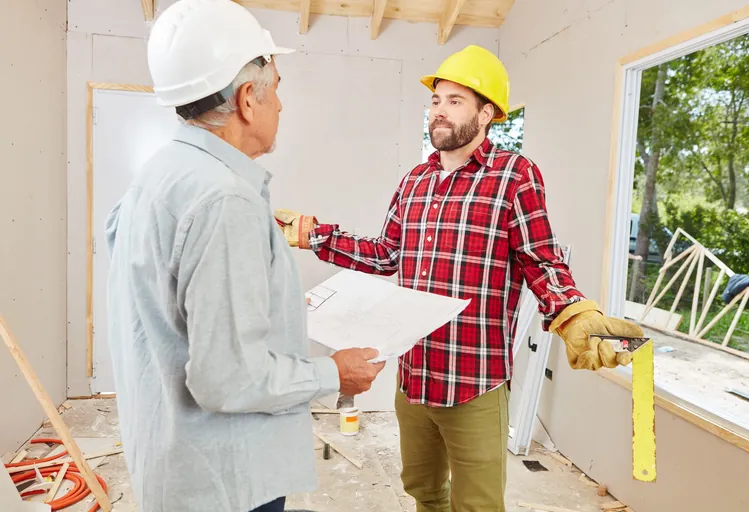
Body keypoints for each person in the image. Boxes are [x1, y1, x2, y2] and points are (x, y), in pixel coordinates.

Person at [274, 45, 644, 511]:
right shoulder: (414, 182)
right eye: (435, 101)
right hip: (415, 376)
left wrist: (572, 312)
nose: (439, 112)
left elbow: (541, 260)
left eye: (454, 101)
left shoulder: (514, 176)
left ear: (486, 113)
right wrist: (316, 236)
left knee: (478, 506)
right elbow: (388, 254)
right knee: (425, 493)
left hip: (475, 382)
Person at [104, 1, 384, 511]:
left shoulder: (160, 175)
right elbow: (227, 378)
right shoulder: (224, 200)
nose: (282, 106)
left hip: (175, 467)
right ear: (248, 100)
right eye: (277, 89)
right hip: (224, 484)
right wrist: (333, 375)